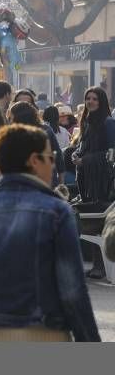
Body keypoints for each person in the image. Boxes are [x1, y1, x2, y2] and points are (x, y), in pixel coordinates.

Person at [0, 124, 100, 342]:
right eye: (50, 157)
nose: (53, 164)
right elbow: (72, 288)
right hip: (45, 334)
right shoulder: (57, 212)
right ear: (35, 161)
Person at [73, 87, 115, 279]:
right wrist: (76, 155)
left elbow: (111, 154)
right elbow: (84, 147)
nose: (90, 102)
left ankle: (100, 265)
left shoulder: (108, 123)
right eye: (88, 98)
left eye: (95, 99)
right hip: (87, 181)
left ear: (102, 101)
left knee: (95, 222)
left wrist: (87, 160)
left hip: (103, 183)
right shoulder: (87, 123)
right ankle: (97, 265)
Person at [8, 101, 65, 186]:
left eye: (11, 117)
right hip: (46, 181)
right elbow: (58, 155)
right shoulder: (46, 129)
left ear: (18, 117)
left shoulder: (15, 134)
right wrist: (61, 182)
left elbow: (58, 156)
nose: (10, 120)